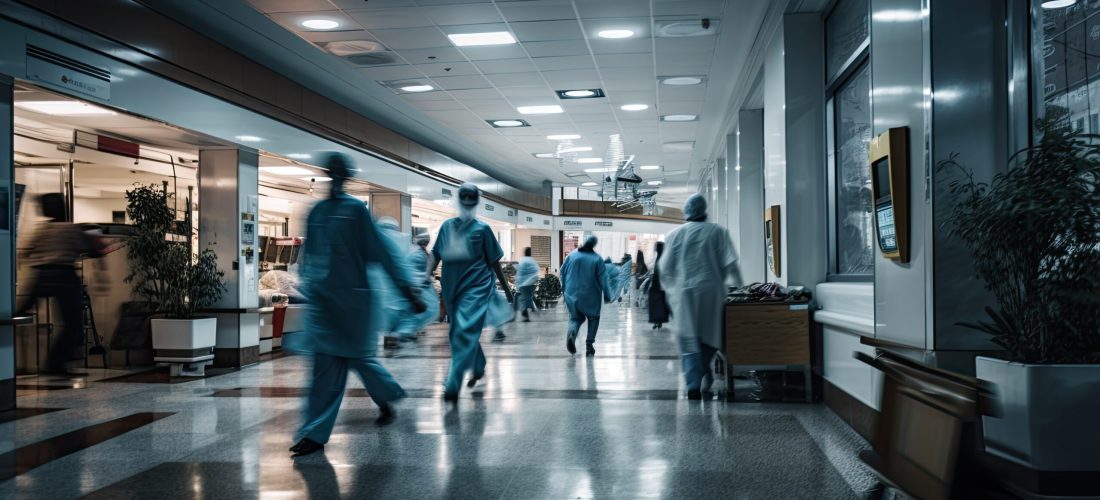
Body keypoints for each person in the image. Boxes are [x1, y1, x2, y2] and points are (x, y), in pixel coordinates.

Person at [290, 153, 426, 457]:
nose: (336, 177)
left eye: (341, 173)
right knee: (325, 371)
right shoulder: (317, 212)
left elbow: (383, 255)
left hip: (354, 305)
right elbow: (308, 259)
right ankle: (313, 434)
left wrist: (409, 293)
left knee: (362, 361)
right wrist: (308, 288)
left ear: (346, 176)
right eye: (332, 172)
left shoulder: (356, 212)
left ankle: (388, 397)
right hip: (325, 306)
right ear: (329, 174)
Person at [430, 183, 514, 401]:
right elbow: (436, 254)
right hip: (452, 289)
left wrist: (506, 290)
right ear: (458, 199)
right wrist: (422, 278)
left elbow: (495, 262)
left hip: (476, 289)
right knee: (458, 331)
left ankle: (452, 383)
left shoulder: (483, 229)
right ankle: (479, 367)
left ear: (477, 201)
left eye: (471, 196)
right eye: (464, 195)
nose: (467, 199)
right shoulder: (447, 226)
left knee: (464, 332)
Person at [658, 194, 742, 400]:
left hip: (684, 294)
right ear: (705, 211)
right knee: (710, 335)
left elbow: (665, 269)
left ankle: (693, 384)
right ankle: (705, 370)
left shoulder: (674, 235)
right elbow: (731, 264)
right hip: (711, 292)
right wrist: (741, 288)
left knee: (689, 338)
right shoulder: (718, 232)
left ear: (686, 212)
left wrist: (670, 292)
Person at [18, 193, 109, 376]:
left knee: (21, 312)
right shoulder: (71, 229)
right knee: (73, 325)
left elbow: (28, 252)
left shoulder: (42, 230)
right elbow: (93, 250)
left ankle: (50, 362)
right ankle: (55, 363)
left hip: (42, 275)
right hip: (65, 276)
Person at [559, 235, 614, 356]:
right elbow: (604, 280)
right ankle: (589, 345)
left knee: (575, 318)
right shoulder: (597, 259)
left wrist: (564, 288)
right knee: (593, 317)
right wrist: (608, 295)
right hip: (590, 295)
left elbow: (562, 272)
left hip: (571, 293)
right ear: (594, 245)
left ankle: (572, 335)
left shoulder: (572, 255)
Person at [392, 233, 439, 343]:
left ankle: (405, 332)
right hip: (418, 287)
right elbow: (420, 272)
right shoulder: (421, 254)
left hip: (414, 287)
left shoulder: (414, 252)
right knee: (419, 312)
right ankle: (400, 334)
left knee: (413, 312)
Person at [375, 216, 413, 347]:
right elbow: (407, 264)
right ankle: (395, 335)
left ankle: (390, 336)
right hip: (398, 286)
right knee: (404, 316)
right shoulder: (404, 238)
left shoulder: (376, 239)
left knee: (383, 319)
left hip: (379, 287)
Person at [648, 241, 670, 330]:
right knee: (657, 304)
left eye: (656, 247)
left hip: (660, 286)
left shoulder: (661, 259)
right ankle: (657, 321)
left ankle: (658, 321)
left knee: (659, 304)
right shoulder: (659, 257)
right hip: (657, 285)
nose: (655, 249)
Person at [514, 247, 539, 322]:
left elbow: (519, 272)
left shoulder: (522, 260)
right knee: (528, 297)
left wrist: (517, 282)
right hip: (531, 283)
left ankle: (525, 314)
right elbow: (536, 270)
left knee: (523, 299)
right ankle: (532, 309)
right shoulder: (532, 261)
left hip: (524, 284)